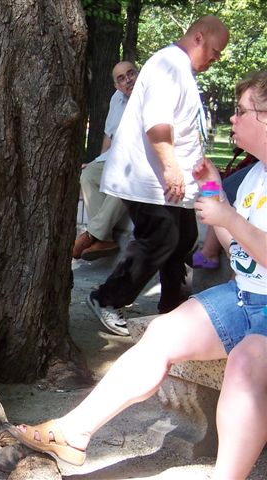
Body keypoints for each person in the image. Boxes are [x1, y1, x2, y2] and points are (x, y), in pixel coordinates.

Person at [9, 69, 267, 480]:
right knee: (161, 333)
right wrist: (215, 191)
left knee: (246, 363)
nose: (232, 119)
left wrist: (229, 219)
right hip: (245, 297)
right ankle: (73, 434)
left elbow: (240, 234)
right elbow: (236, 245)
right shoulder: (255, 175)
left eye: (241, 111)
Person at [86, 15, 229, 336]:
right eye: (215, 51)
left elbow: (184, 128)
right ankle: (106, 298)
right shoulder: (168, 65)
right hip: (149, 181)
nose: (214, 59)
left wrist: (197, 166)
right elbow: (157, 123)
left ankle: (173, 306)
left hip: (168, 182)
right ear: (198, 38)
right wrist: (171, 166)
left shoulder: (179, 70)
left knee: (182, 241)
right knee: (160, 238)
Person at [73, 61, 137, 261]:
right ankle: (106, 238)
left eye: (131, 74)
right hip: (115, 156)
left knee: (123, 180)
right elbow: (109, 136)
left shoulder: (149, 96)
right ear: (116, 86)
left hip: (138, 162)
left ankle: (91, 235)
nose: (128, 80)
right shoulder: (116, 99)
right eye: (121, 79)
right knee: (89, 174)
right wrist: (99, 161)